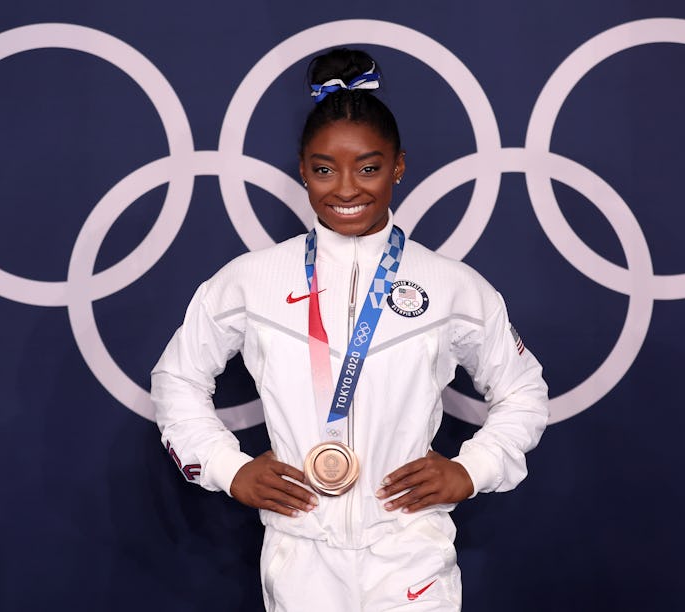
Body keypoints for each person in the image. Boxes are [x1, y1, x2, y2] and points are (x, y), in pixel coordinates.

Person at [151, 48, 548, 611]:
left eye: (368, 167)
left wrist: (472, 468)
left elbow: (523, 390)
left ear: (399, 166)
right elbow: (176, 379)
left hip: (411, 551)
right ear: (302, 169)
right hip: (299, 554)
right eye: (323, 169)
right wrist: (226, 467)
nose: (345, 189)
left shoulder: (453, 285)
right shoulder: (250, 280)